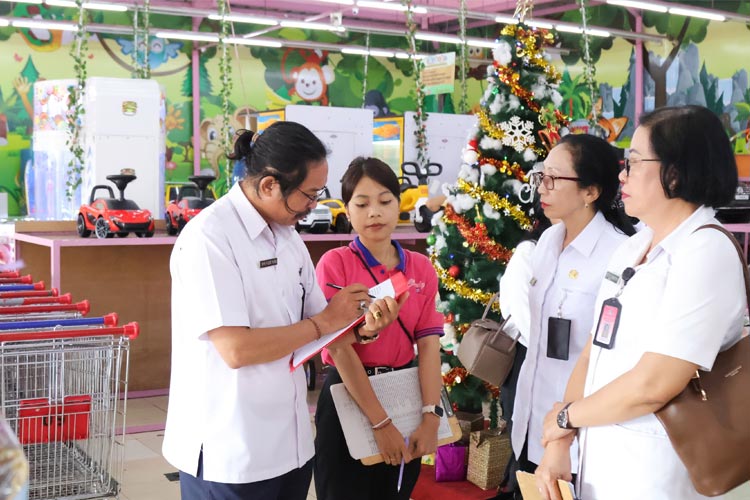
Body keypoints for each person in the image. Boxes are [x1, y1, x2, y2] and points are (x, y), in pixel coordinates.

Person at [537, 105, 744, 500]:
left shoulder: (704, 250)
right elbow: (591, 355)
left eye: (632, 162)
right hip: (602, 465)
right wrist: (560, 442)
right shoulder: (633, 247)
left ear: (676, 171)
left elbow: (655, 383)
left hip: (658, 474)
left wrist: (565, 418)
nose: (622, 175)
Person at [162, 122, 376, 500]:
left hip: (289, 443)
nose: (314, 206)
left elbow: (318, 326)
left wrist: (360, 324)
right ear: (268, 185)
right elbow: (236, 350)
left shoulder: (289, 238)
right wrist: (323, 322)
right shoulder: (210, 239)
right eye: (309, 195)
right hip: (230, 452)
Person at [509, 134, 636, 496]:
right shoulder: (549, 241)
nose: (542, 188)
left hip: (579, 440)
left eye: (553, 178)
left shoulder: (618, 254)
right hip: (532, 424)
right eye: (540, 177)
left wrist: (565, 433)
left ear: (590, 191)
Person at [313, 157, 445, 500]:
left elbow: (429, 347)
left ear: (398, 205)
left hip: (404, 391)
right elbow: (339, 348)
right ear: (348, 210)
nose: (375, 212)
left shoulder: (421, 268)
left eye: (385, 201)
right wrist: (380, 423)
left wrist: (431, 415)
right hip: (348, 394)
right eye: (362, 203)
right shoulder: (335, 264)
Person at [490, 198, 553, 500]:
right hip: (530, 361)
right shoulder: (529, 253)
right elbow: (524, 320)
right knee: (527, 452)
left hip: (560, 364)